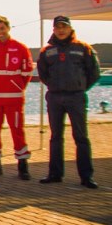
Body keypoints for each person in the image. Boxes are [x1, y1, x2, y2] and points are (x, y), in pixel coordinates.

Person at [37, 16, 101, 189]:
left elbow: (94, 73)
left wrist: (80, 87)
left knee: (81, 137)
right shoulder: (47, 51)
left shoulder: (83, 48)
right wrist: (54, 86)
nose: (61, 30)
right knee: (55, 137)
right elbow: (42, 73)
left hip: (76, 97)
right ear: (53, 29)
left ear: (70, 28)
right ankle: (55, 174)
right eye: (57, 27)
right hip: (55, 97)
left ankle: (86, 176)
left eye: (63, 26)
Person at [0, 16, 34, 180]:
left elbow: (27, 73)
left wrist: (16, 87)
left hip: (14, 98)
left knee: (17, 131)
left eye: (2, 28)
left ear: (8, 28)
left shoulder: (20, 48)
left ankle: (22, 166)